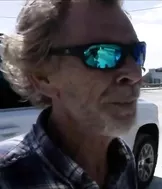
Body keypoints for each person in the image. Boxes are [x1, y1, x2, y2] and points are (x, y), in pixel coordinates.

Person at [0, 0, 145, 188]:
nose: (135, 74)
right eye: (101, 55)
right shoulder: (6, 177)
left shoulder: (122, 160)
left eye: (138, 52)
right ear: (42, 77)